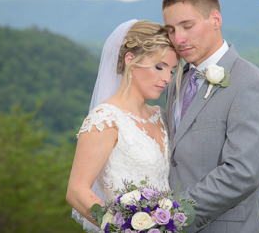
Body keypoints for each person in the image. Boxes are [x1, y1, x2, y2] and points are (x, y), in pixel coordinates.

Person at [162, 0, 259, 232]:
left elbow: (242, 173)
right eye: (170, 30)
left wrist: (172, 218)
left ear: (215, 19)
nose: (178, 39)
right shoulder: (175, 83)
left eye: (187, 26)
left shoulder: (251, 83)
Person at [66, 19, 182, 232]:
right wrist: (123, 228)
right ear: (130, 59)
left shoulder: (161, 116)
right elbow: (76, 191)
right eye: (159, 67)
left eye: (171, 71)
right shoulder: (105, 120)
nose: (167, 78)